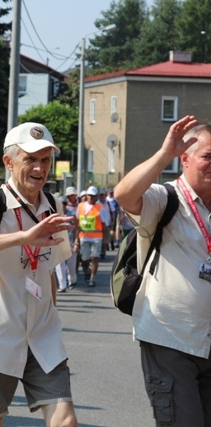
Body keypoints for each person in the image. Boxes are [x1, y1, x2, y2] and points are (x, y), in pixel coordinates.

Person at [0, 122, 77, 427]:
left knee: (66, 421)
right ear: (8, 162)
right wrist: (24, 237)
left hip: (42, 336)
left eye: (46, 160)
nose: (40, 168)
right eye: (31, 159)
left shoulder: (54, 205)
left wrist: (53, 315)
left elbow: (47, 268)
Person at [115, 115, 211, 426]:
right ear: (185, 158)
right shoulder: (166, 197)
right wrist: (163, 154)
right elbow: (124, 195)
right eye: (207, 156)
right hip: (171, 339)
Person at [75, 185, 110, 287]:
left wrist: (105, 239)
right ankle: (87, 271)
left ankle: (92, 279)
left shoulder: (100, 208)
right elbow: (77, 223)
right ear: (87, 195)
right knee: (84, 259)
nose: (91, 197)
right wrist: (77, 239)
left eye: (93, 196)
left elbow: (104, 225)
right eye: (89, 195)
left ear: (96, 197)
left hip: (96, 238)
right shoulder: (80, 206)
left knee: (94, 258)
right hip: (84, 237)